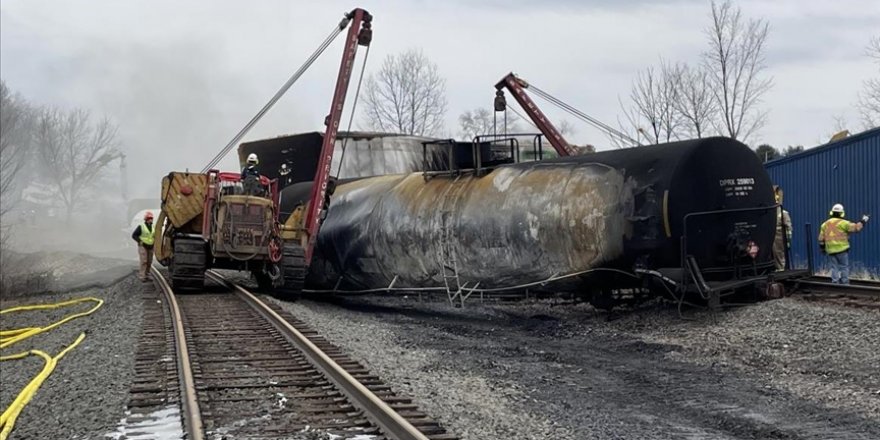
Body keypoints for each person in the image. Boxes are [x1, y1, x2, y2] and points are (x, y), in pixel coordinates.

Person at [818, 204, 870, 284]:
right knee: (843, 267)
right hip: (842, 249)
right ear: (842, 213)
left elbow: (821, 238)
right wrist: (863, 220)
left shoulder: (824, 224)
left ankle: (835, 283)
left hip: (830, 250)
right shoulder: (844, 223)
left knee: (834, 267)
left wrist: (822, 248)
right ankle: (845, 283)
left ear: (831, 212)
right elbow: (857, 228)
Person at [772, 186, 792, 271]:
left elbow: (789, 228)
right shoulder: (770, 213)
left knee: (779, 254)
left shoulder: (783, 213)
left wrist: (788, 241)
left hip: (779, 238)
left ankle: (781, 269)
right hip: (772, 237)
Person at [132, 211, 155, 282]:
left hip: (150, 246)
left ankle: (147, 275)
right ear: (146, 219)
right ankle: (142, 276)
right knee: (144, 261)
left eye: (151, 218)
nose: (151, 219)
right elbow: (134, 235)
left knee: (149, 261)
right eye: (149, 218)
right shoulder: (141, 226)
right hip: (143, 246)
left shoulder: (153, 227)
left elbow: (154, 236)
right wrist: (140, 241)